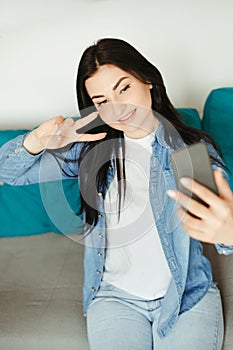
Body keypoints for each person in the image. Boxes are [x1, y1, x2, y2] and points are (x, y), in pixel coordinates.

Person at [1, 38, 233, 350]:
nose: (118, 108)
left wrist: (229, 232)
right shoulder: (90, 151)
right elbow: (7, 173)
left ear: (147, 80)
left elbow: (221, 231)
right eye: (101, 100)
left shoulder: (189, 153)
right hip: (114, 299)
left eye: (123, 88)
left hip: (186, 297)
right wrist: (35, 141)